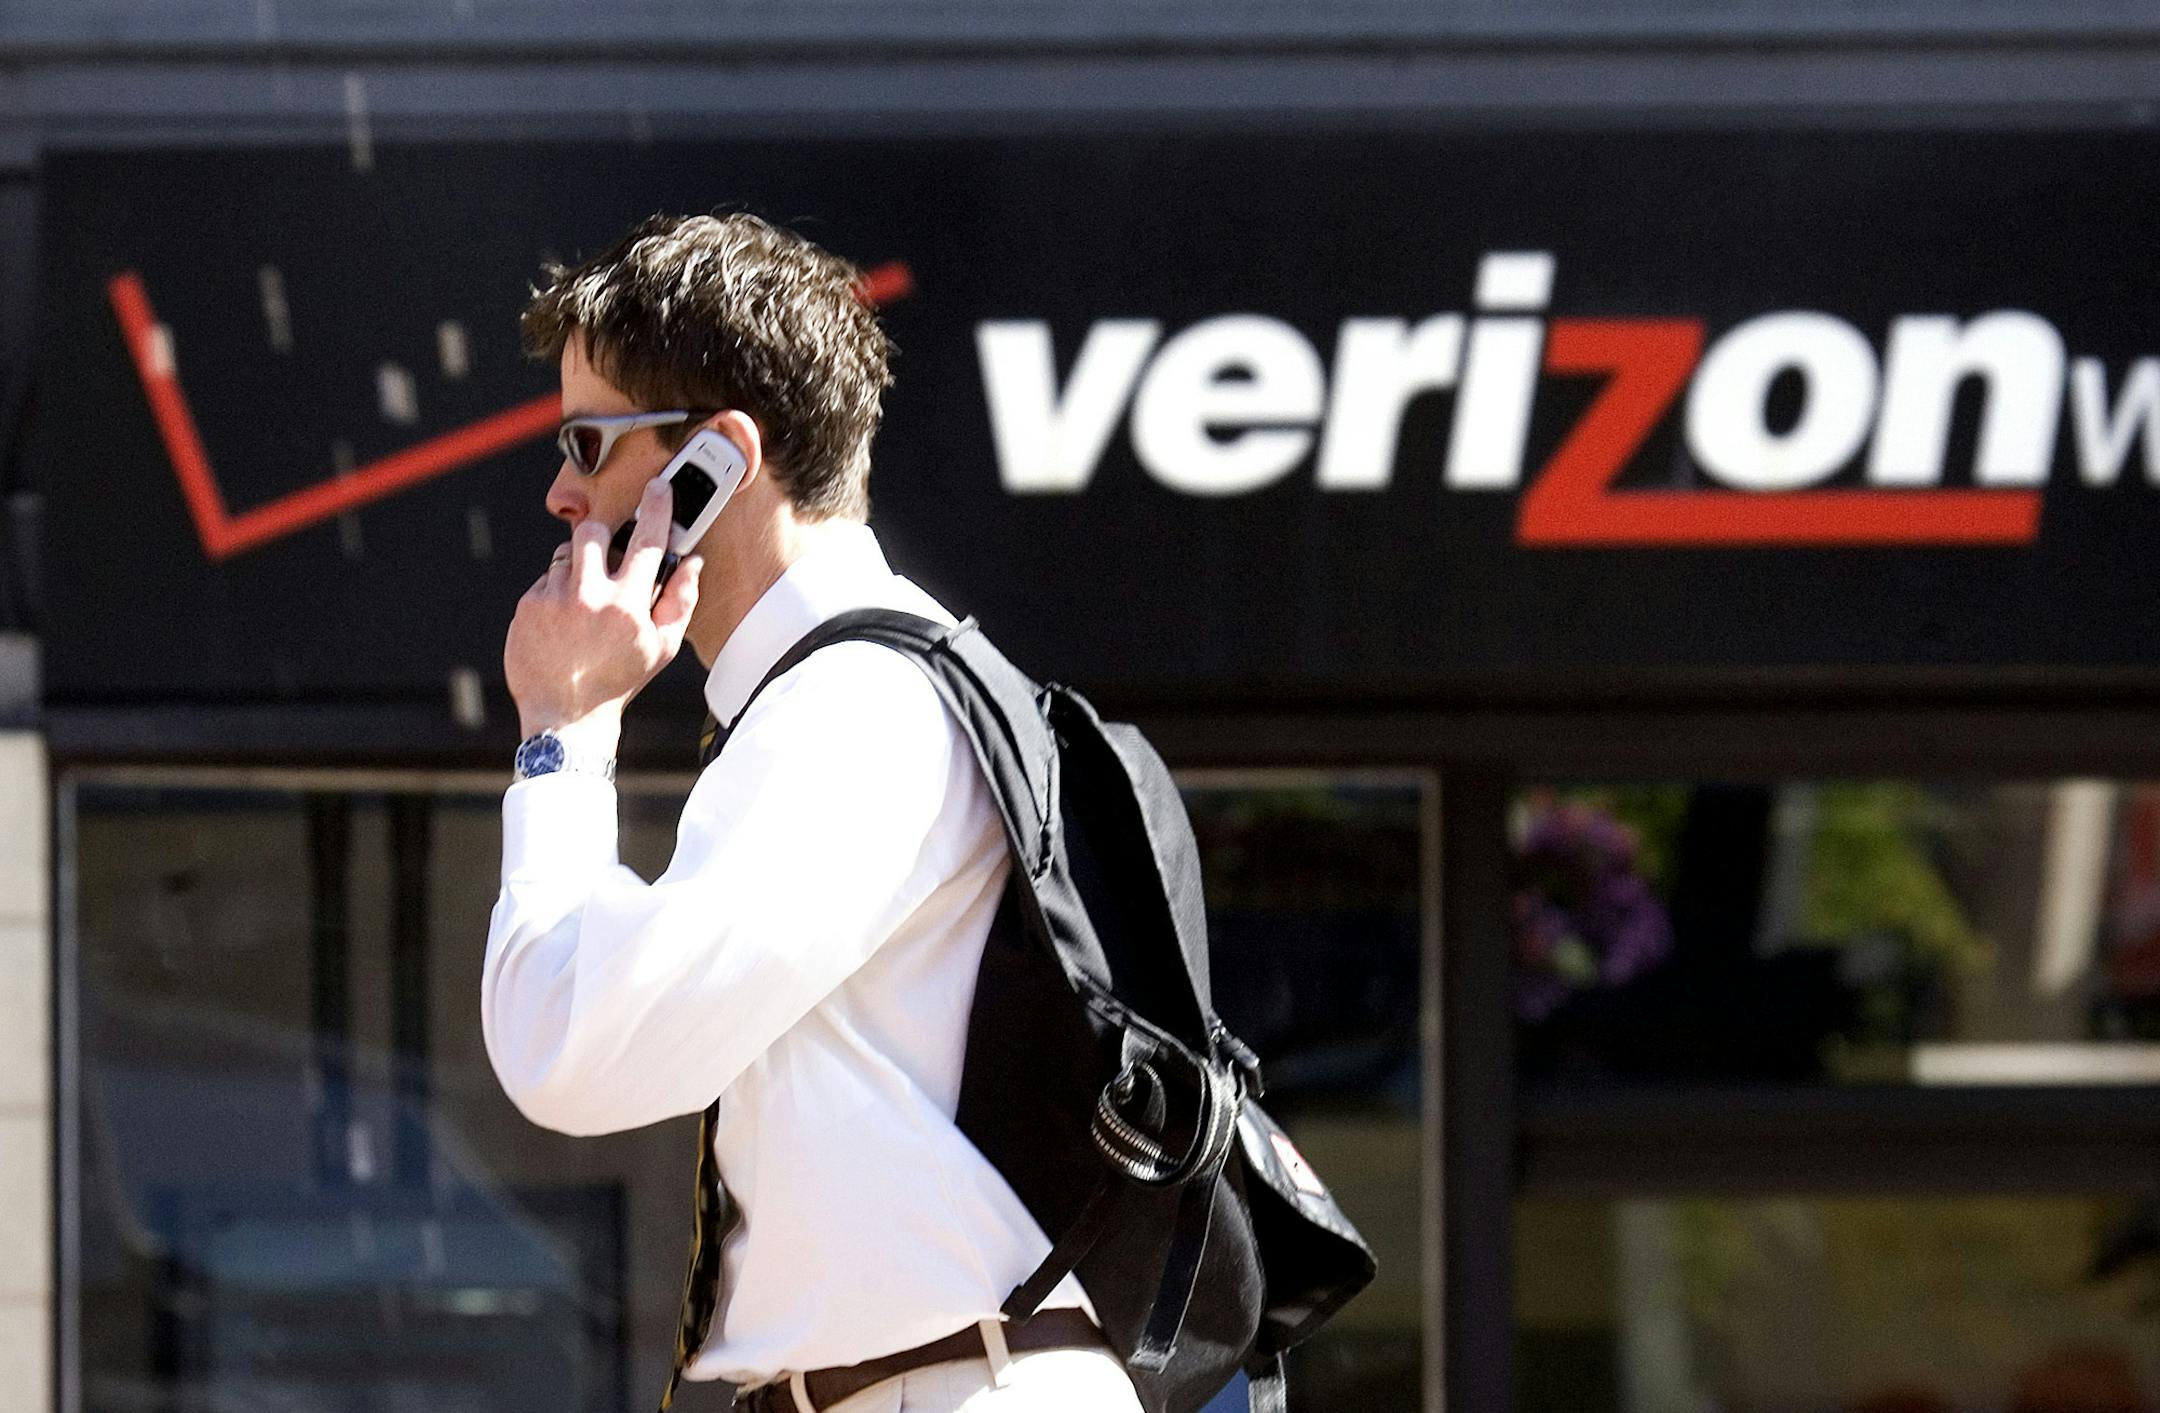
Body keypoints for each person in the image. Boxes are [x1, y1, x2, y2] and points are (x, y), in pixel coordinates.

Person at [481, 213, 1140, 1413]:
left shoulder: (854, 708)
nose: (562, 492)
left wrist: (563, 730)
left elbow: (571, 1053)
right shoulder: (852, 693)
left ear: (715, 461)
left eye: (588, 441)